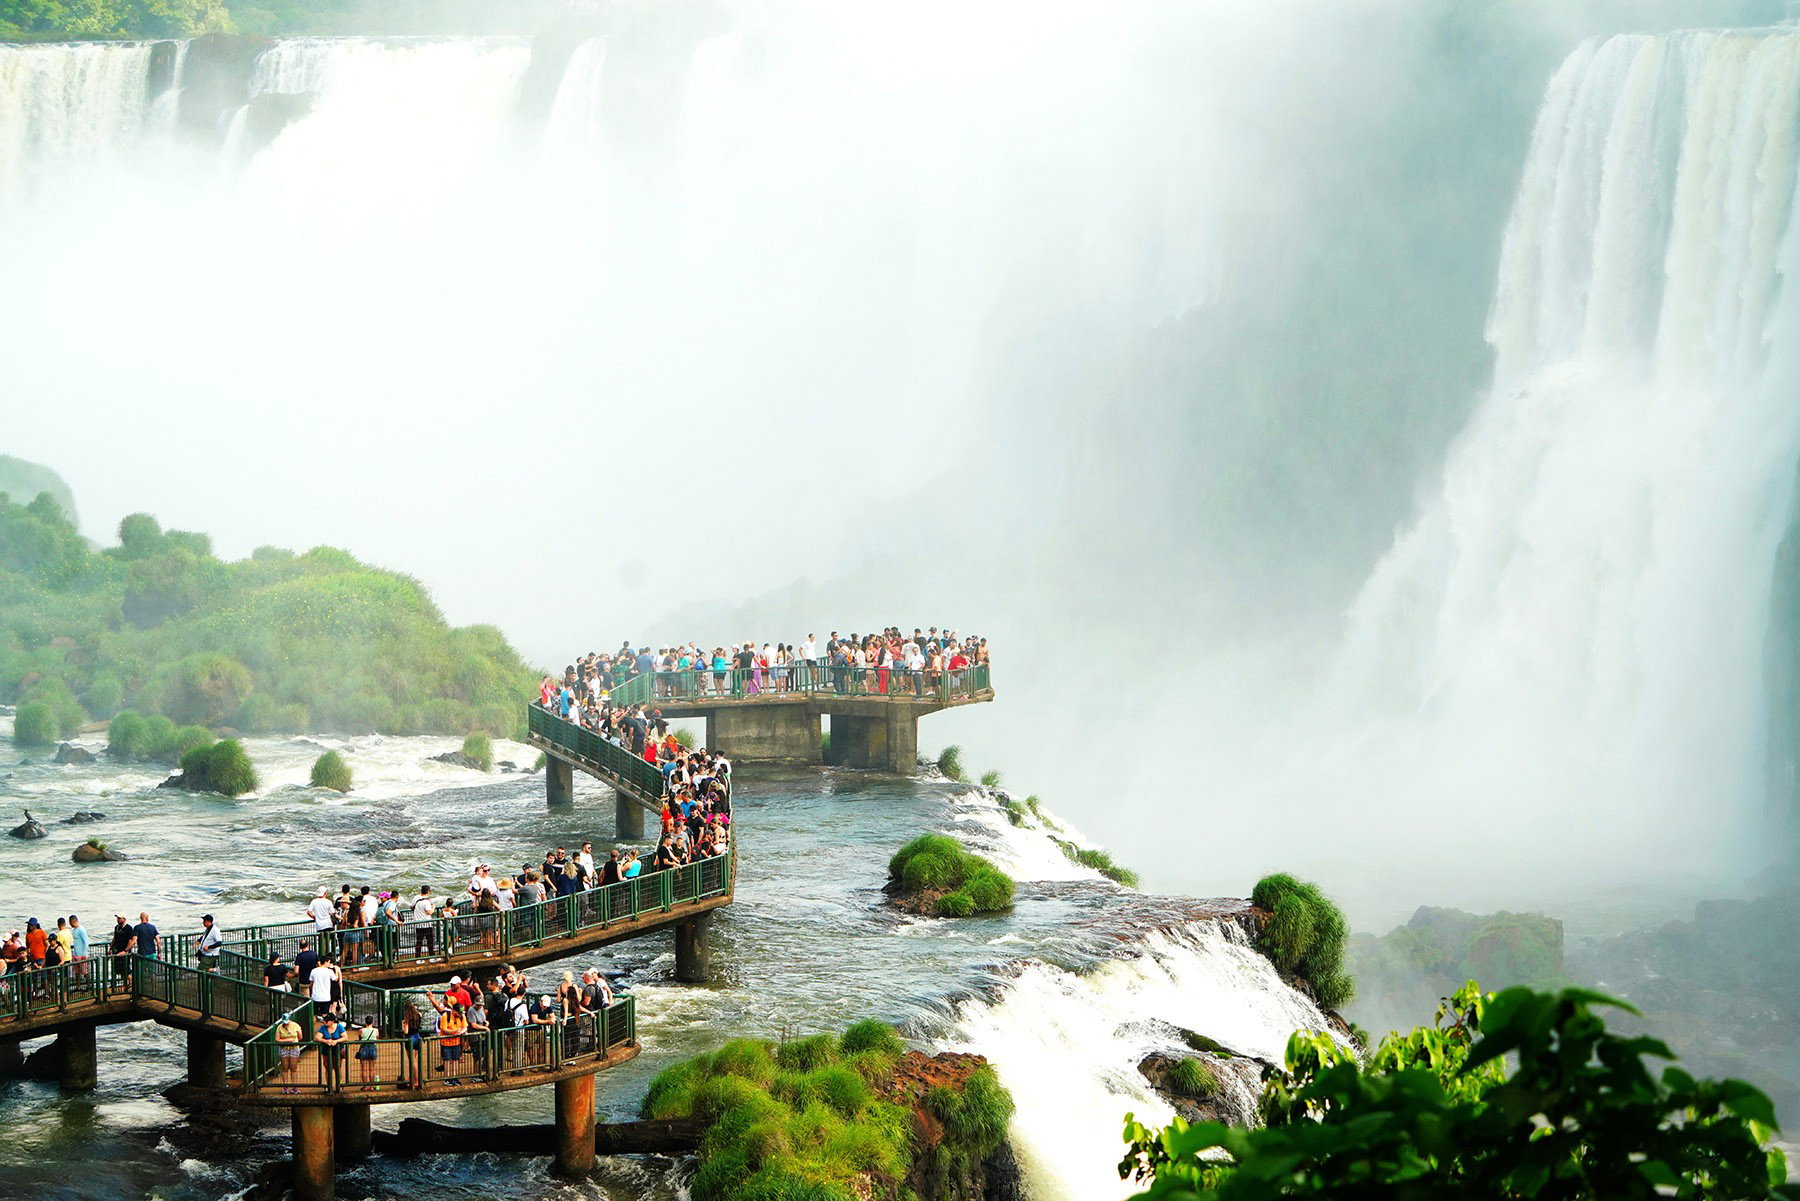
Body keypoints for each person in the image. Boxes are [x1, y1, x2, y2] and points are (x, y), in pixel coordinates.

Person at [315, 1010, 347, 1089]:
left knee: (337, 1068)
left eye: (326, 1021)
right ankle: (329, 1085)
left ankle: (338, 1085)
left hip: (337, 1050)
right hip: (326, 1050)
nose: (324, 1022)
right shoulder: (323, 1028)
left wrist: (336, 1041)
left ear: (332, 1021)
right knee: (328, 1067)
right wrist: (325, 1041)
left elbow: (345, 1037)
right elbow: (317, 1037)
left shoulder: (339, 1027)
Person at [275, 1011, 305, 1093]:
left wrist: (295, 1039)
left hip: (294, 1048)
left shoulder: (295, 1026)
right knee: (284, 1067)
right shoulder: (280, 1027)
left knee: (293, 1067)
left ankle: (295, 1087)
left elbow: (300, 1037)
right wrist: (287, 1040)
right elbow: (277, 1039)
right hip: (284, 1048)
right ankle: (285, 1087)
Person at [355, 1019, 380, 1090]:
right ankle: (372, 1086)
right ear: (373, 1022)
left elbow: (360, 1039)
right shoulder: (376, 1030)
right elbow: (377, 1038)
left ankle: (365, 1086)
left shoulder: (361, 1030)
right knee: (371, 1069)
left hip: (364, 1048)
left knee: (364, 1069)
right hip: (373, 1048)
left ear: (365, 1022)